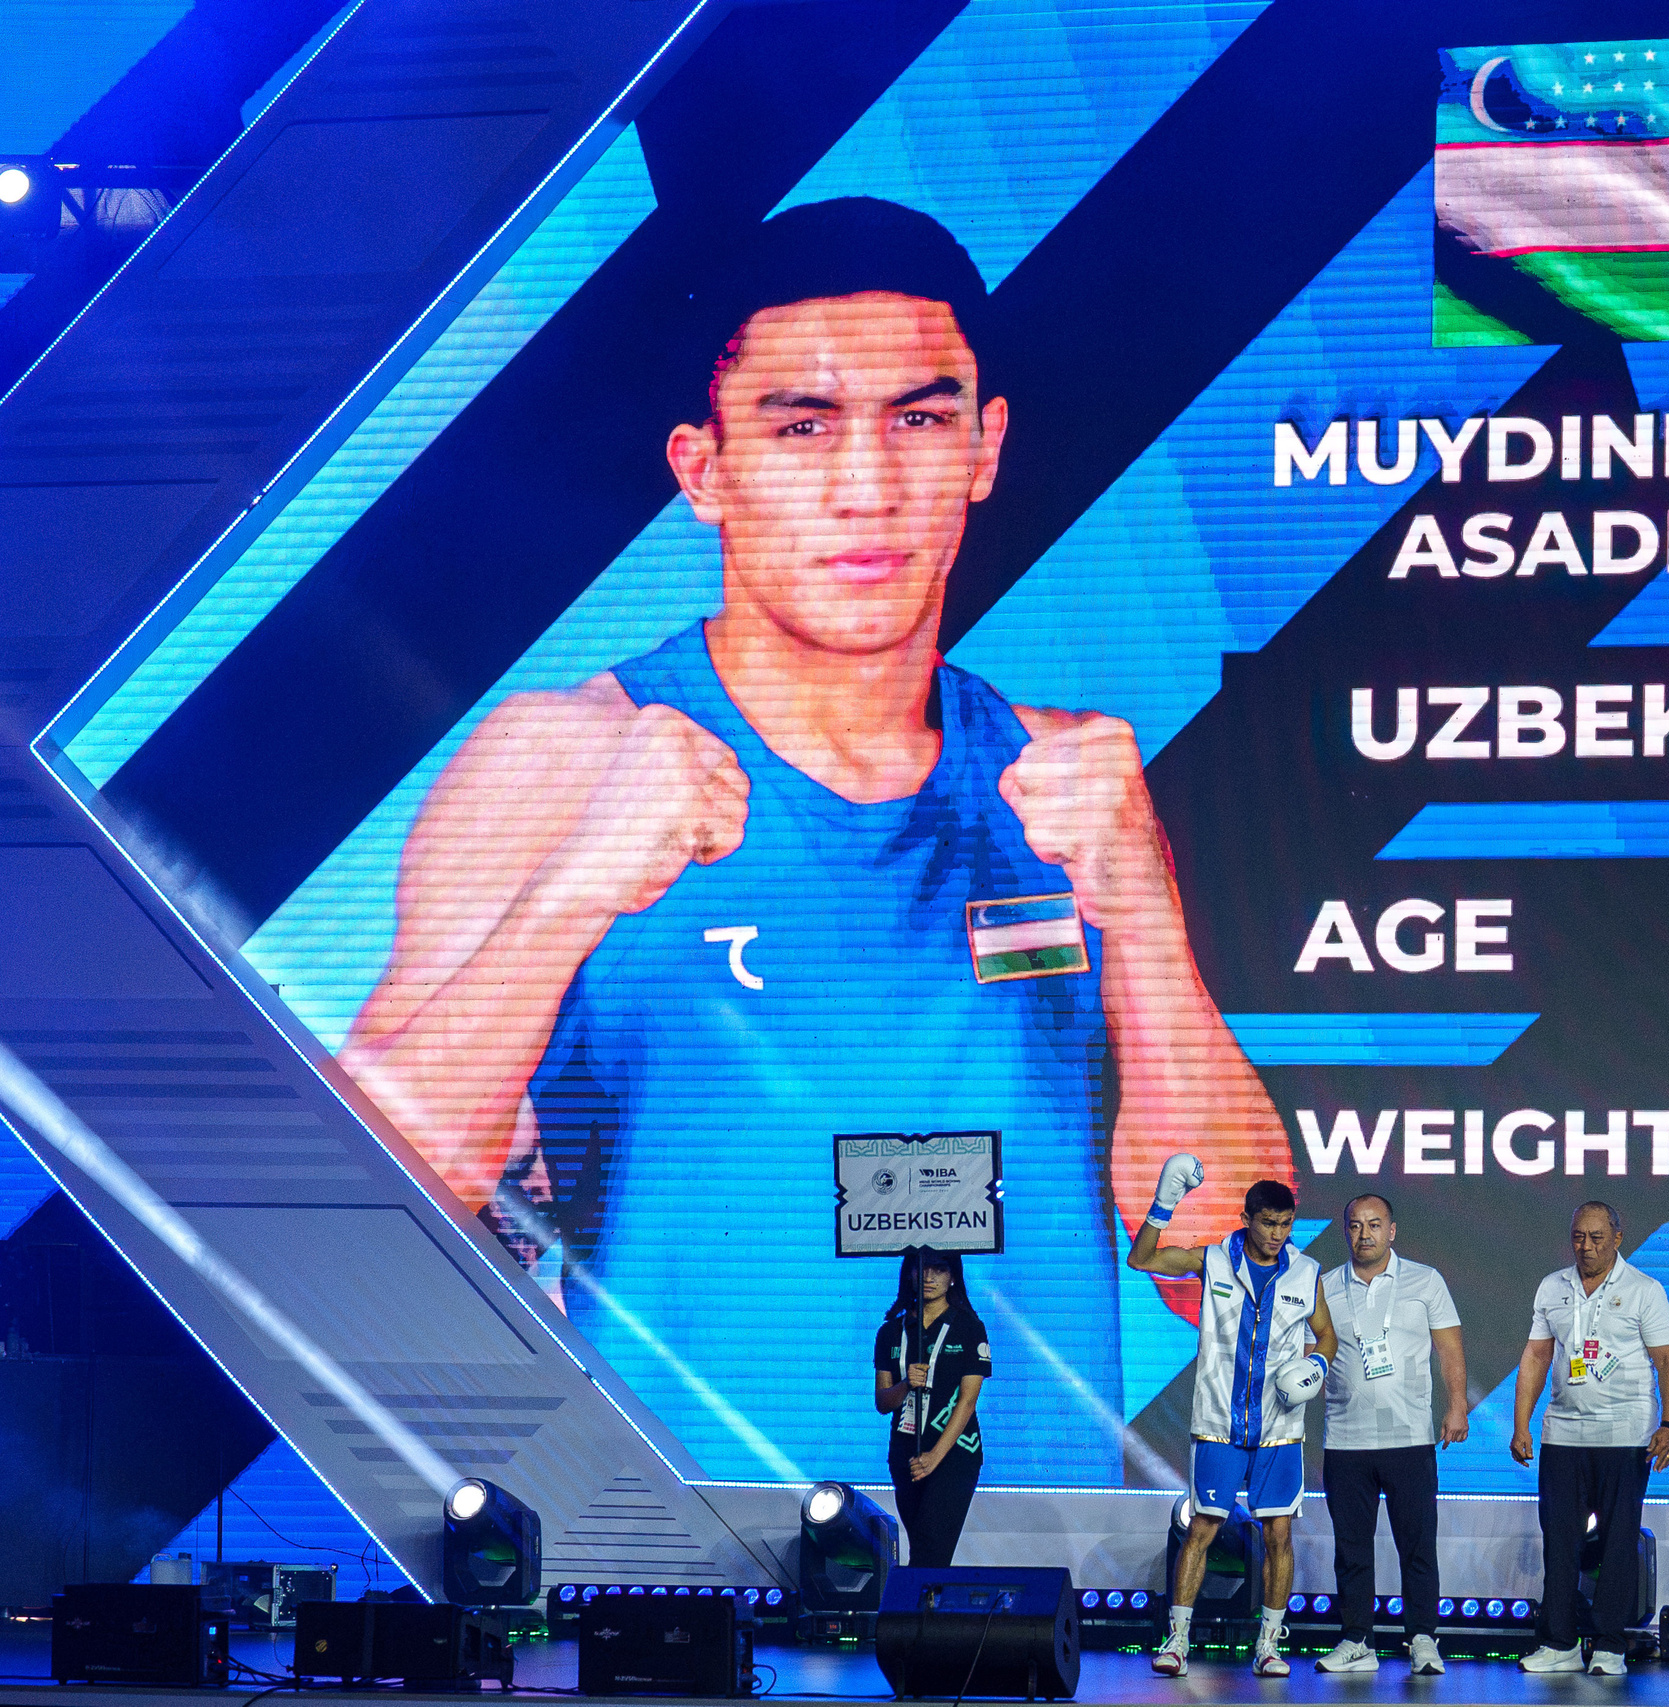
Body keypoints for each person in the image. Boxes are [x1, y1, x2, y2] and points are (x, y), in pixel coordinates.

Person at [333, 198, 1292, 1481]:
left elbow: (1217, 1263)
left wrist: (1150, 934)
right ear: (704, 470)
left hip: (1027, 1582)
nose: (867, 486)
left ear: (984, 447)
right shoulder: (564, 759)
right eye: (801, 427)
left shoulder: (1068, 782)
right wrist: (571, 895)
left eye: (920, 417)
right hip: (681, 1579)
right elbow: (363, 1215)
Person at [1128, 1159, 1338, 1679]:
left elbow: (1326, 1335)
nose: (1277, 1233)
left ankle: (1268, 1645)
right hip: (1218, 1421)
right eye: (1268, 1222)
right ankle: (1176, 1640)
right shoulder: (1213, 1260)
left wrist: (1317, 1362)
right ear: (1247, 1219)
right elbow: (1141, 1258)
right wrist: (1165, 1200)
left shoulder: (1306, 1273)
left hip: (1280, 1428)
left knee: (1278, 1535)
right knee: (1202, 1527)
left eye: (1285, 1223)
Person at [1510, 1200, 1669, 1679]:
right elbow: (1536, 1357)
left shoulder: (1645, 1290)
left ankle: (1610, 1645)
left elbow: (1668, 1360)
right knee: (1559, 1542)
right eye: (1578, 1238)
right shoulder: (1553, 1287)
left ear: (1617, 1238)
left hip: (1625, 1435)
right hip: (1562, 1435)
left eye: (1596, 1238)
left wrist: (1668, 1425)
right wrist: (1522, 1424)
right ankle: (1560, 1642)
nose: (1585, 1247)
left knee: (1617, 1542)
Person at [1310, 1192, 1466, 1677]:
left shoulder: (1425, 1280)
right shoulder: (1324, 1286)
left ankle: (1422, 1638)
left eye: (1374, 1225)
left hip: (1410, 1438)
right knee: (1351, 1548)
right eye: (1355, 1226)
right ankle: (1357, 1640)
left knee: (1417, 1546)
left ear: (1391, 1231)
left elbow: (1449, 1348)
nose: (1365, 1234)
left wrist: (1457, 1405)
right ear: (1345, 1232)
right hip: (1346, 1440)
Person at [872, 1247, 990, 1568]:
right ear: (908, 1273)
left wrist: (934, 1457)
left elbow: (967, 1401)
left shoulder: (969, 1328)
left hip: (954, 1455)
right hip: (905, 1455)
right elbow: (883, 1402)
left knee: (930, 1554)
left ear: (953, 1276)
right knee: (923, 1550)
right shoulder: (890, 1332)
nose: (928, 1277)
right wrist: (906, 1384)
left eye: (939, 1269)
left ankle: (916, 1615)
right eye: (920, 1268)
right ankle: (925, 1608)